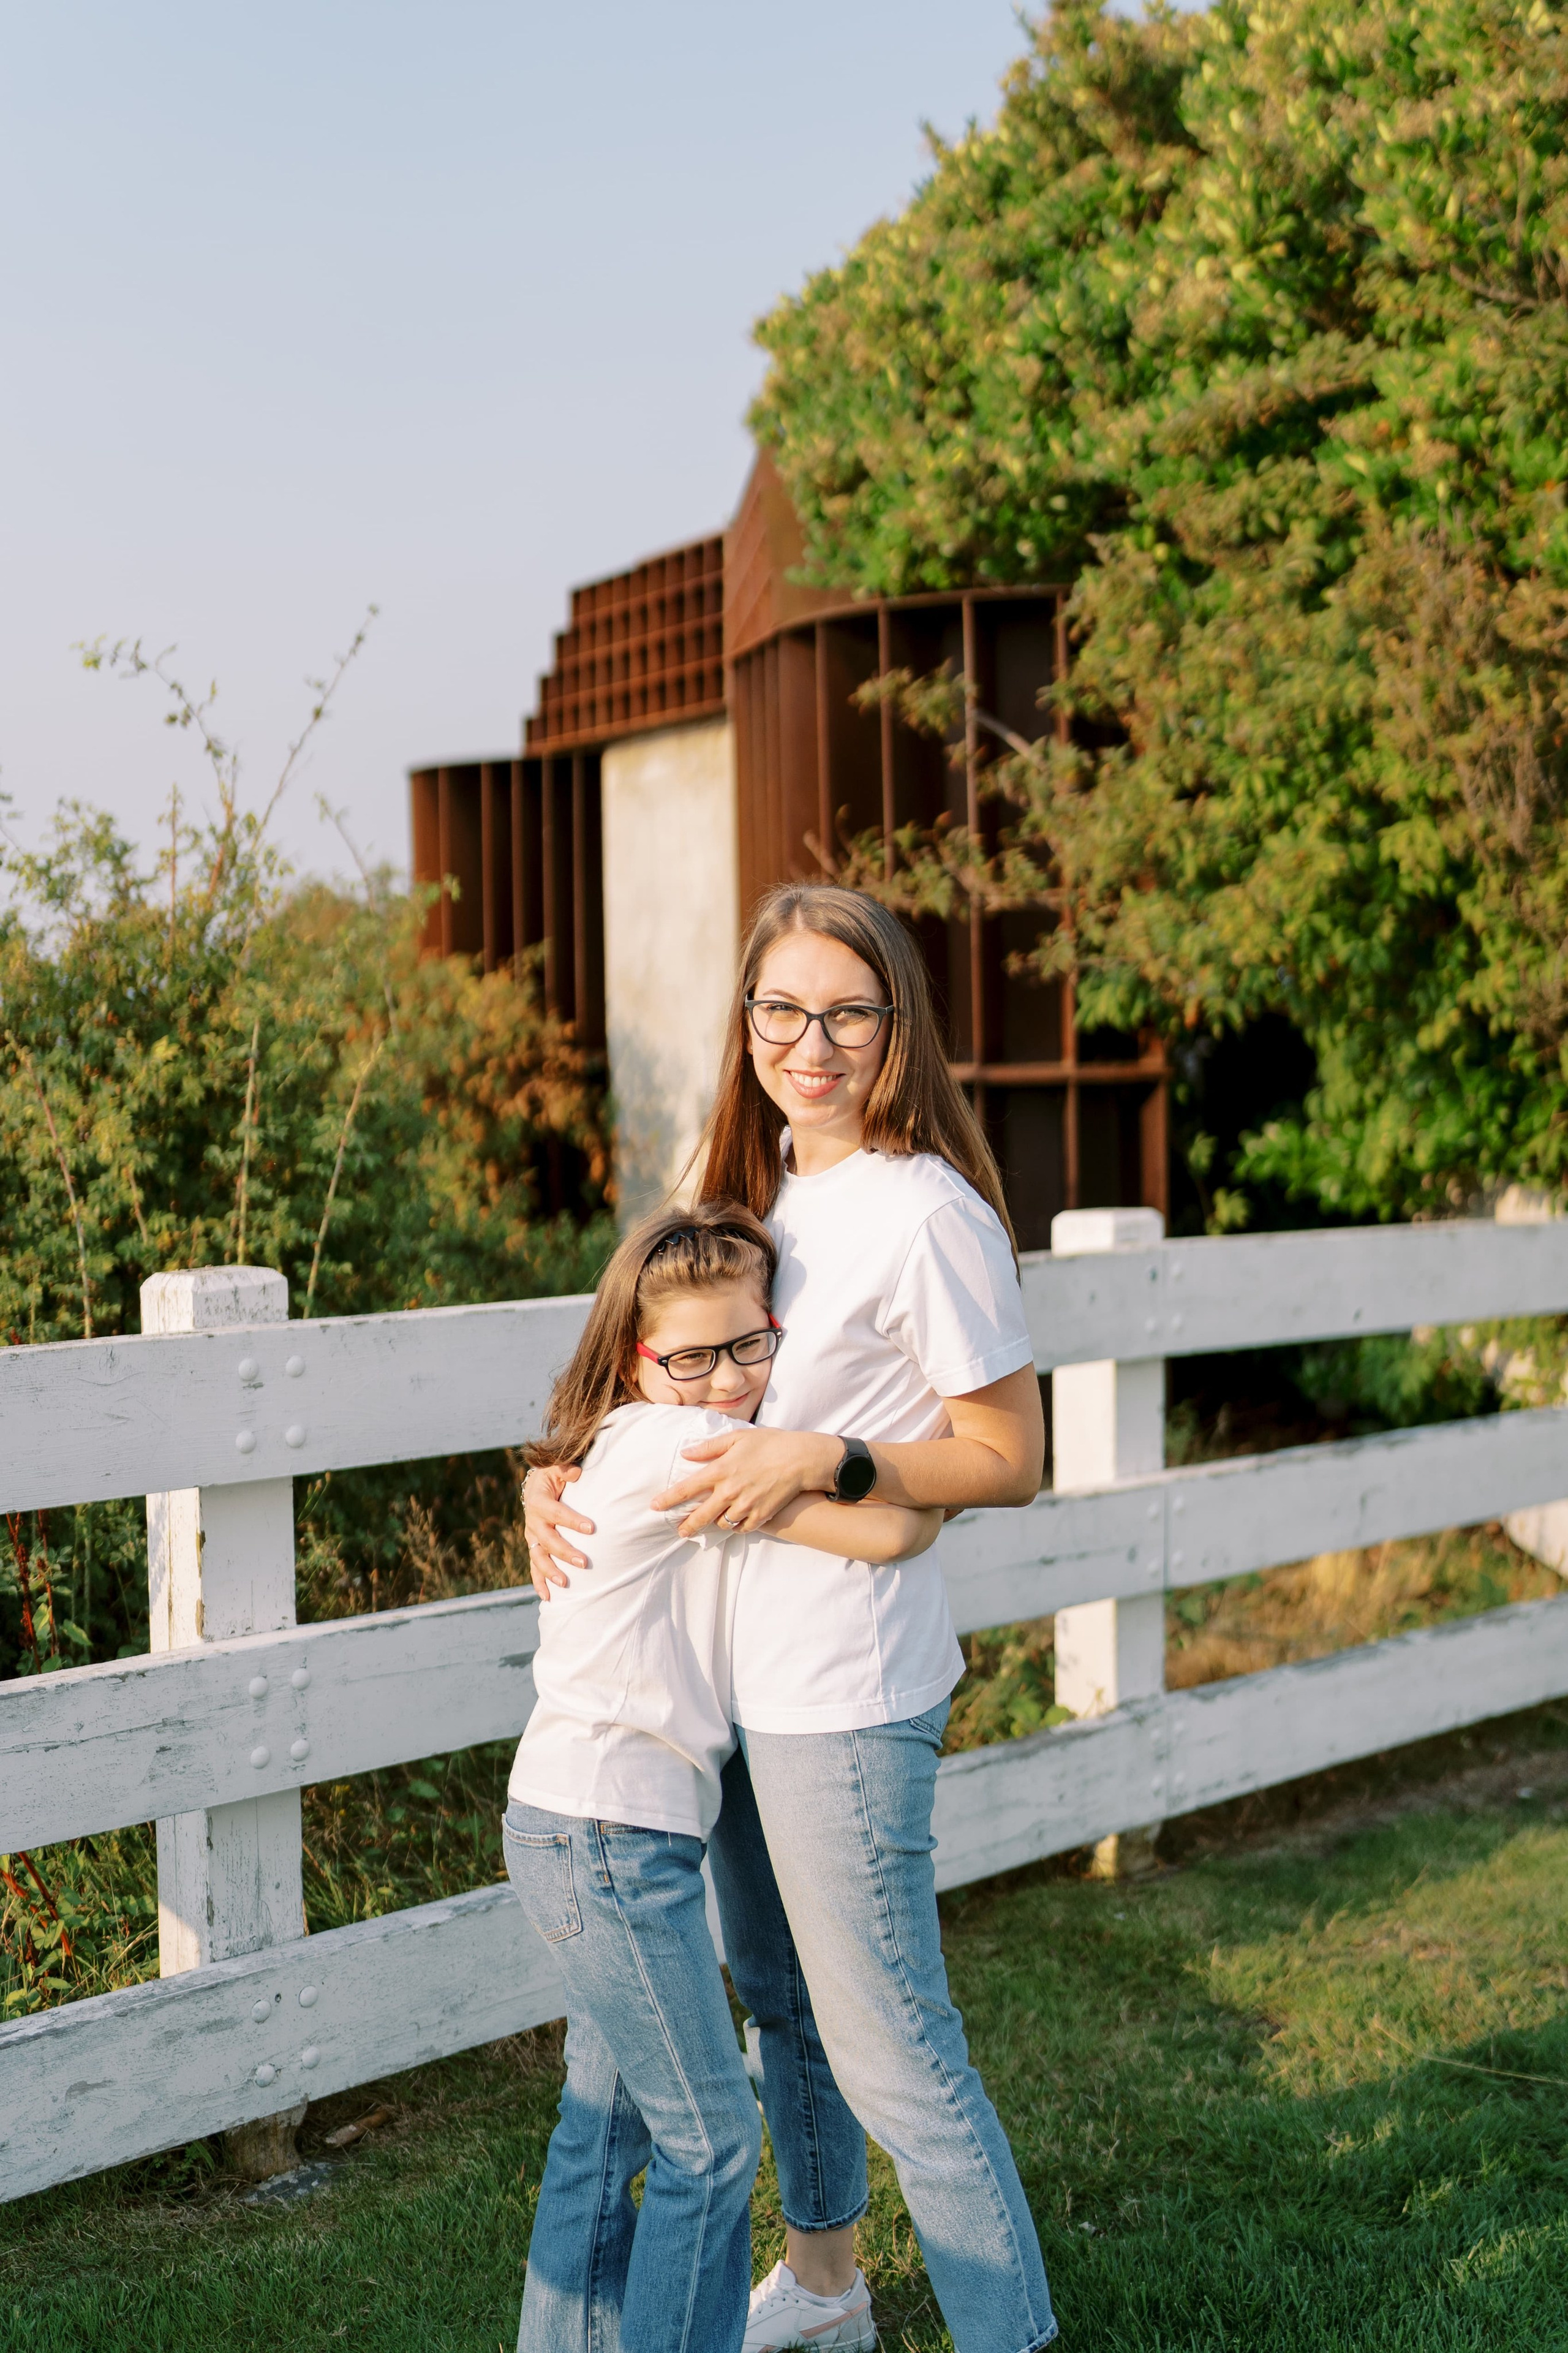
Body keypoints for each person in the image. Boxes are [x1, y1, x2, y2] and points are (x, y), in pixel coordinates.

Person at [526, 885, 1058, 2353]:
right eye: (779, 1010)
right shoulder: (756, 1186)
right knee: (781, 2004)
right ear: (745, 1020)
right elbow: (644, 1372)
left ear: (897, 1026)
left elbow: (1008, 1456)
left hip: (847, 1687)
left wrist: (823, 1463)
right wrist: (549, 1479)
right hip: (733, 1693)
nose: (807, 1042)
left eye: (844, 1012)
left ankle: (1009, 2334)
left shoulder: (926, 1211)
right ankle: (824, 2288)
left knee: (898, 2059)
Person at [506, 1197, 942, 2353]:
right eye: (691, 1356)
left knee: (604, 2131)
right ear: (640, 1358)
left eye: (751, 1345)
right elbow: (892, 1535)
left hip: (574, 1824)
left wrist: (540, 1477)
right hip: (607, 1836)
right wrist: (925, 1466)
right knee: (710, 2138)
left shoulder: (631, 1437)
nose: (728, 1380)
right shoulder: (680, 1443)